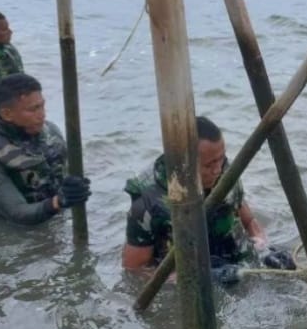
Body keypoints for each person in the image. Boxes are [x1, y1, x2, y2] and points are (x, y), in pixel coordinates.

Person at [121, 116, 295, 279]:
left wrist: (263, 247)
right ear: (184, 163)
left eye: (221, 159)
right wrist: (200, 278)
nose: (218, 170)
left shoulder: (225, 172)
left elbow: (249, 221)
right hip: (189, 277)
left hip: (235, 264)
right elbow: (134, 271)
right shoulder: (147, 203)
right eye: (209, 165)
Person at [0, 73, 91, 225]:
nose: (42, 115)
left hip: (53, 213)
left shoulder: (50, 132)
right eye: (33, 109)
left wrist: (75, 188)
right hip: (12, 228)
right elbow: (17, 213)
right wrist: (58, 202)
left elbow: (65, 173)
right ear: (7, 114)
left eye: (42, 106)